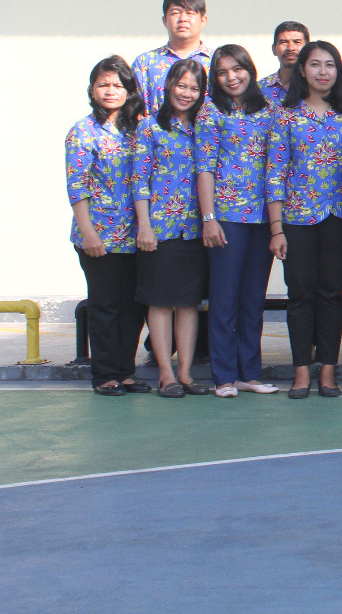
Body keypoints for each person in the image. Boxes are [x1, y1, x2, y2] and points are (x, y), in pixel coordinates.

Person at [266, 40, 342, 400]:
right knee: (300, 295)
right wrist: (276, 228)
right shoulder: (285, 116)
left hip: (339, 217)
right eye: (315, 64)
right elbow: (275, 173)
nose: (322, 71)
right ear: (302, 70)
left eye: (329, 64)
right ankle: (301, 371)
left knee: (332, 294)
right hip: (298, 219)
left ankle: (329, 373)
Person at [196, 45, 278, 397]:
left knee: (252, 299)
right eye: (222, 72)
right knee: (225, 298)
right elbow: (205, 168)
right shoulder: (210, 111)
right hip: (227, 217)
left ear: (250, 69)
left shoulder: (269, 110)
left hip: (263, 218)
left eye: (238, 68)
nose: (232, 77)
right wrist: (209, 217)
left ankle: (250, 373)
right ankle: (224, 376)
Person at [67, 56, 148, 396]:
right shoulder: (82, 132)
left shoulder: (137, 129)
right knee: (105, 306)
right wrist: (88, 233)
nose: (110, 91)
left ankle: (125, 372)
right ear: (92, 90)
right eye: (103, 84)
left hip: (136, 235)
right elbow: (77, 186)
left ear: (129, 90)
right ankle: (104, 376)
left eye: (118, 85)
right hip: (98, 235)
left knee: (133, 307)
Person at [133, 59, 210, 398]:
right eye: (181, 85)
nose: (187, 93)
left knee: (189, 303)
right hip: (160, 230)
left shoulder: (206, 128)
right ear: (167, 86)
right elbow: (139, 180)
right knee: (161, 302)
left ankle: (187, 373)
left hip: (195, 229)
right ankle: (166, 374)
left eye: (194, 88)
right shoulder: (149, 127)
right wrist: (145, 225)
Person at [131, 0, 213, 112]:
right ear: (164, 20)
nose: (183, 19)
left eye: (190, 13)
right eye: (175, 13)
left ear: (203, 21)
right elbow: (132, 110)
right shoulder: (145, 63)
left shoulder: (217, 62)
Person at [260, 22, 309, 106]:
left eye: (297, 42)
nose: (290, 48)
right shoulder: (260, 89)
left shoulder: (318, 86)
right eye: (283, 42)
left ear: (308, 48)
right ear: (274, 49)